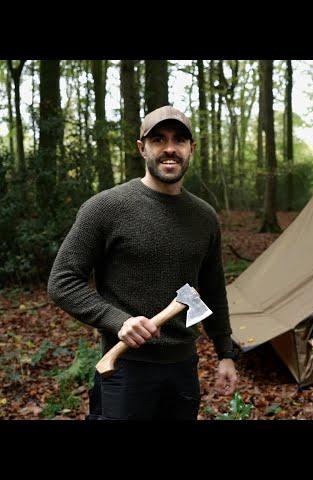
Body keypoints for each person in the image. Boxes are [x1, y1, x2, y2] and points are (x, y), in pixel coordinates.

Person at [47, 105, 238, 420]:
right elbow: (62, 281)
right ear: (141, 148)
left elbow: (213, 290)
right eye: (158, 139)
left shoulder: (205, 217)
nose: (170, 149)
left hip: (183, 370)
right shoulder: (106, 208)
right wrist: (119, 321)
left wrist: (225, 354)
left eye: (179, 140)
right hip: (124, 368)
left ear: (192, 148)